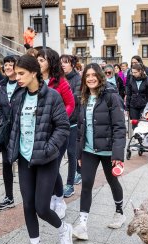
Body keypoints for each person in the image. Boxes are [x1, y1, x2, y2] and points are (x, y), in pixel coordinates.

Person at [7, 55, 73, 244]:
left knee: (42, 208)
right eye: (16, 74)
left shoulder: (52, 96)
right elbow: (14, 127)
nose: (17, 77)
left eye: (21, 73)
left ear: (34, 73)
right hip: (25, 159)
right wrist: (12, 151)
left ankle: (64, 229)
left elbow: (63, 126)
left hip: (46, 159)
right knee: (27, 206)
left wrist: (48, 149)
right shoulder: (18, 97)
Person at [73, 62, 126, 241]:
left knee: (112, 181)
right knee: (86, 184)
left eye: (93, 75)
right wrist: (79, 153)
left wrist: (117, 156)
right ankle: (82, 224)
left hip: (108, 150)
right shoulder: (83, 97)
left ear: (100, 76)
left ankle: (119, 212)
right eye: (87, 76)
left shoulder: (111, 96)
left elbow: (119, 127)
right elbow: (81, 127)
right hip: (89, 149)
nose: (90, 78)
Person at [36, 48, 75, 219]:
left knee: (53, 167)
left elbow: (70, 104)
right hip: (40, 132)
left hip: (57, 132)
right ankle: (52, 196)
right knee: (44, 166)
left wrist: (58, 120)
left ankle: (59, 199)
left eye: (42, 60)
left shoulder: (61, 82)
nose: (38, 63)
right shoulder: (34, 80)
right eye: (37, 59)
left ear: (50, 63)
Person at [0, 55, 18, 210]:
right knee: (6, 164)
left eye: (11, 64)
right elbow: (0, 108)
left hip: (20, 129)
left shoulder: (23, 84)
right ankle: (9, 197)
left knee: (25, 164)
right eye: (6, 64)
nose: (8, 67)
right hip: (5, 130)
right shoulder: (2, 85)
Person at [60, 54, 82, 198]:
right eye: (61, 63)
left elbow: (75, 99)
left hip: (73, 121)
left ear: (72, 64)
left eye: (66, 63)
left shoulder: (78, 79)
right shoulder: (59, 79)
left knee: (72, 153)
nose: (63, 65)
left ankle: (70, 185)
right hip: (59, 122)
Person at [126, 63, 148, 128]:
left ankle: (143, 138)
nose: (133, 74)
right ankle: (137, 137)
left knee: (143, 124)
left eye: (135, 72)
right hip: (133, 106)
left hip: (144, 106)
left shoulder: (147, 80)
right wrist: (127, 108)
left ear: (140, 71)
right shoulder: (131, 80)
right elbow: (129, 94)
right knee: (134, 125)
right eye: (132, 72)